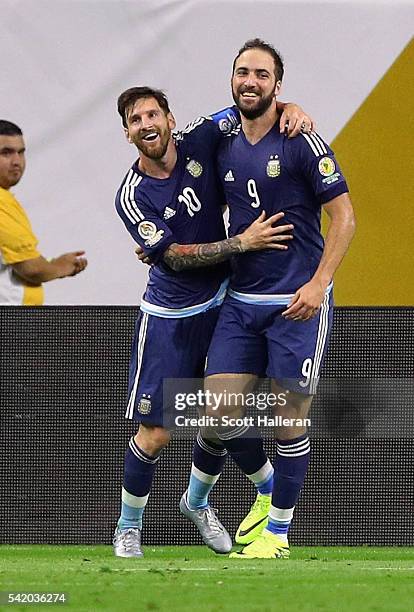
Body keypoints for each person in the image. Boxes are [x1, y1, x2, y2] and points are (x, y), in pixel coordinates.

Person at [113, 86, 313, 557]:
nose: (146, 124)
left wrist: (295, 109)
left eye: (152, 114)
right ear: (127, 133)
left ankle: (199, 502)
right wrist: (241, 243)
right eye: (136, 119)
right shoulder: (132, 195)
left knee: (222, 411)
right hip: (171, 315)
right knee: (157, 431)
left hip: (226, 300)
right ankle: (128, 527)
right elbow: (177, 258)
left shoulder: (201, 137)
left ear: (169, 117)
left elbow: (255, 102)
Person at [200, 38, 356, 559]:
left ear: (278, 85)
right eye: (242, 72)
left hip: (298, 301)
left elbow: (345, 218)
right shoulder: (221, 138)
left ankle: (279, 536)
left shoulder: (302, 142)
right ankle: (267, 488)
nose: (250, 81)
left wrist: (319, 283)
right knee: (218, 413)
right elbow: (172, 156)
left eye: (262, 75)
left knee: (289, 419)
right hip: (241, 301)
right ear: (232, 80)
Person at [0, 121, 87, 305]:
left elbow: (14, 260)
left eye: (21, 152)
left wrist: (51, 263)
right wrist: (61, 267)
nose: (16, 161)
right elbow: (31, 269)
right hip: (8, 324)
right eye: (6, 152)